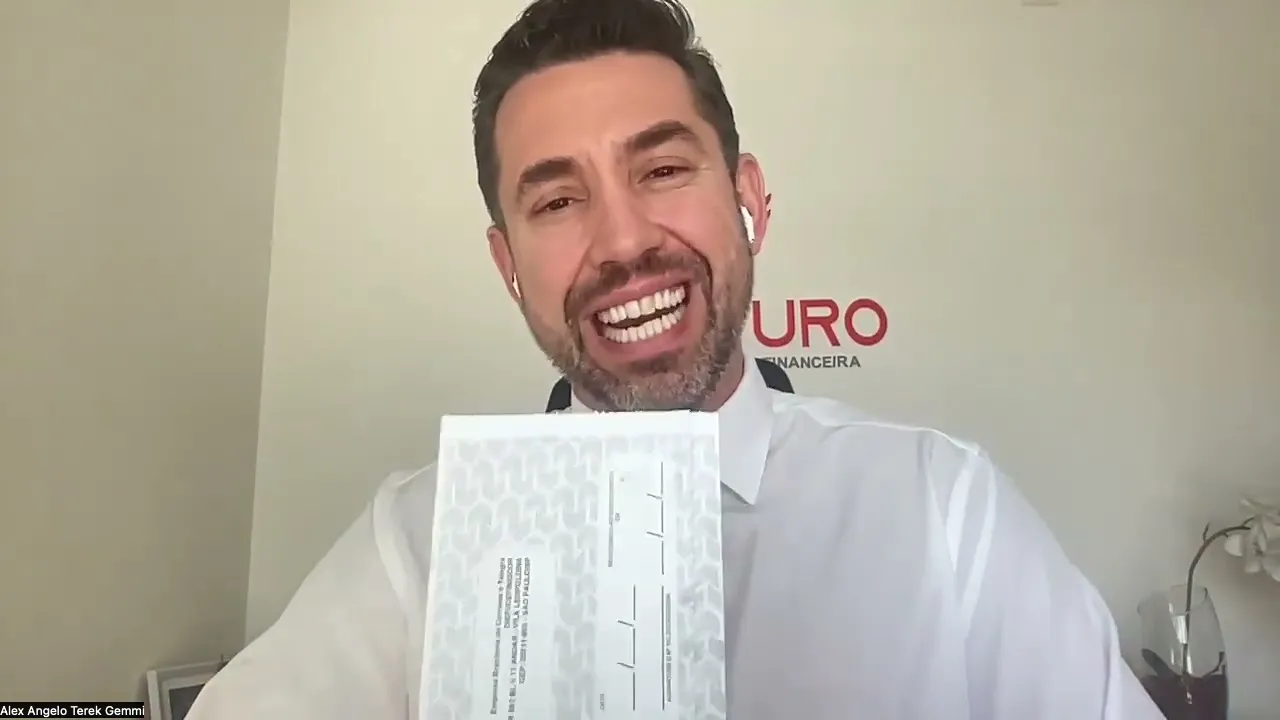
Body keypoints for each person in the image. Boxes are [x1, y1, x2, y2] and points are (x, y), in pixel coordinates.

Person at [189, 0, 1166, 717]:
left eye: (661, 169)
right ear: (508, 266)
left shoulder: (942, 508)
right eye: (556, 201)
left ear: (749, 201)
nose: (622, 242)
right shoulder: (415, 543)